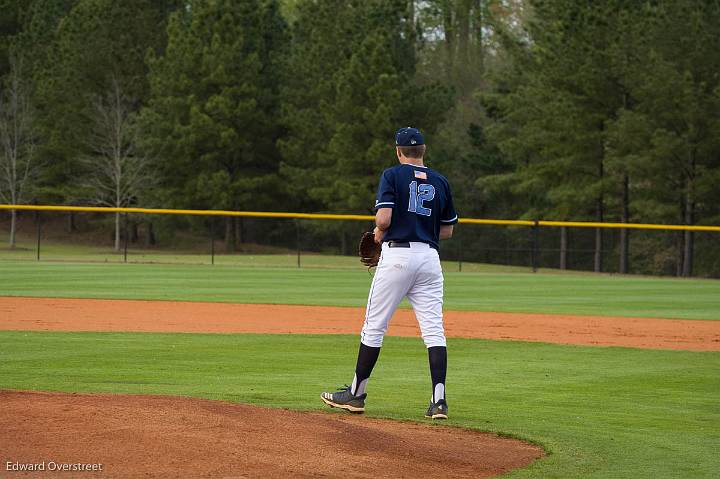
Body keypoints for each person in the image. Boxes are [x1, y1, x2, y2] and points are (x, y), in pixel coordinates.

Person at [321, 126, 458, 419]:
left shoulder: (392, 175)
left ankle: (356, 395)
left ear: (398, 151)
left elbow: (384, 218)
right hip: (430, 259)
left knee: (374, 327)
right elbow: (447, 230)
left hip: (398, 255)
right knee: (434, 330)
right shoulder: (441, 181)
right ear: (423, 151)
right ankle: (439, 401)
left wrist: (379, 232)